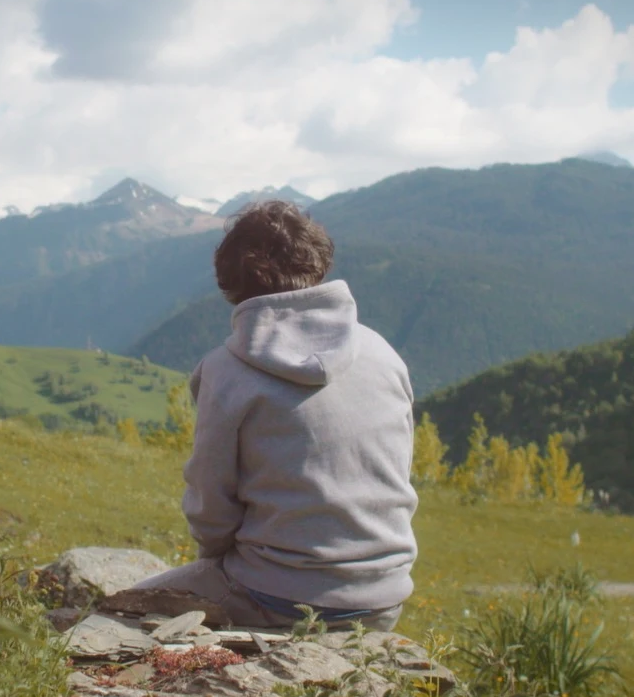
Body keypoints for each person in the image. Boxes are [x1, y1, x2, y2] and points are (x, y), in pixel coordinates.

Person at [127, 201, 419, 631]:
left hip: (277, 598)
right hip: (384, 601)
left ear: (232, 281)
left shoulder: (226, 372)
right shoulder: (383, 354)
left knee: (121, 612)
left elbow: (212, 512)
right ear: (317, 262)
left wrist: (224, 561)